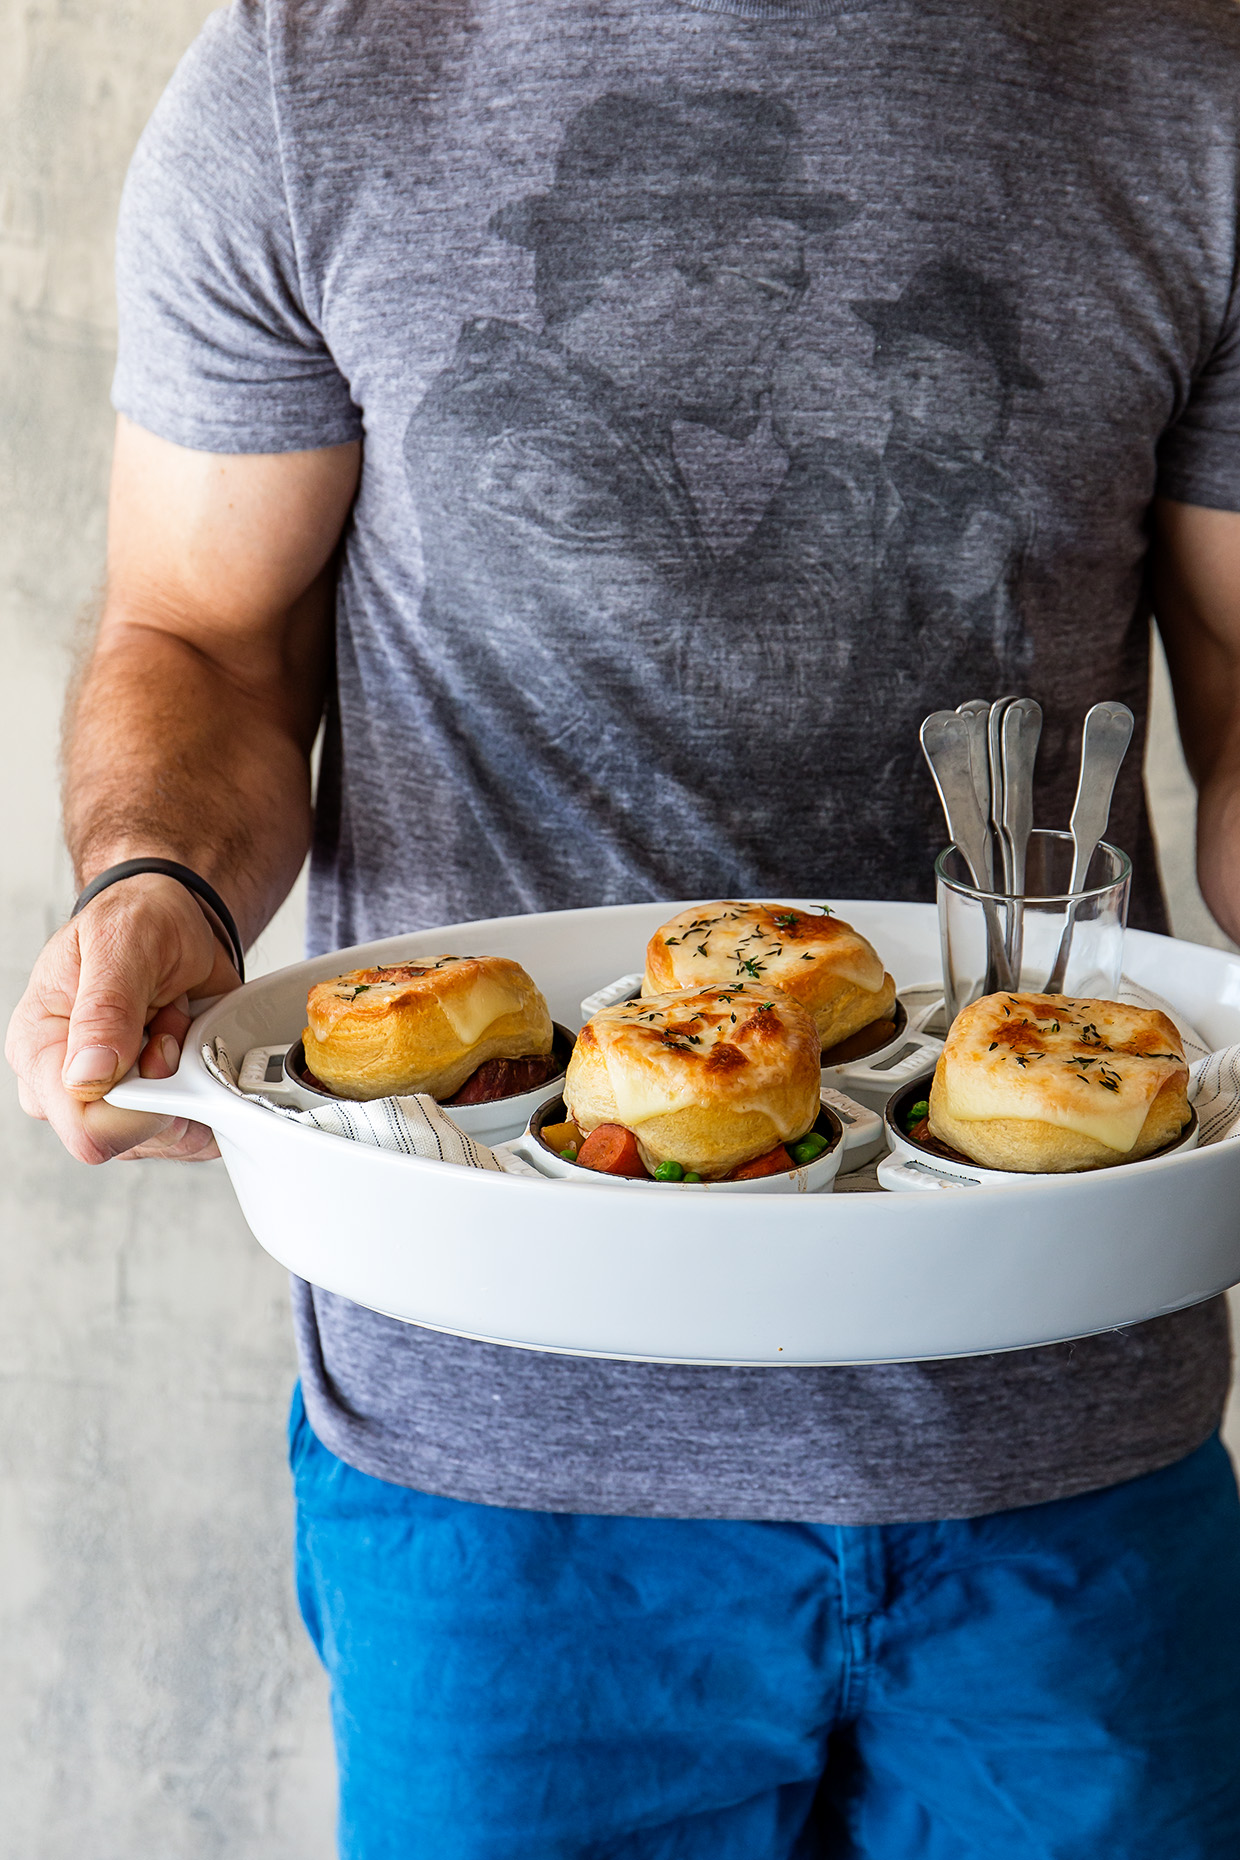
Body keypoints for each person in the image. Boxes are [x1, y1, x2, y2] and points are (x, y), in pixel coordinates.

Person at [8, 0, 1240, 1850]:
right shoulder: (307, 75)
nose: (776, 315)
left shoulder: (1186, 86)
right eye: (747, 272)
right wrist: (154, 886)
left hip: (1060, 1437)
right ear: (624, 269)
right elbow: (201, 635)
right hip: (505, 1481)